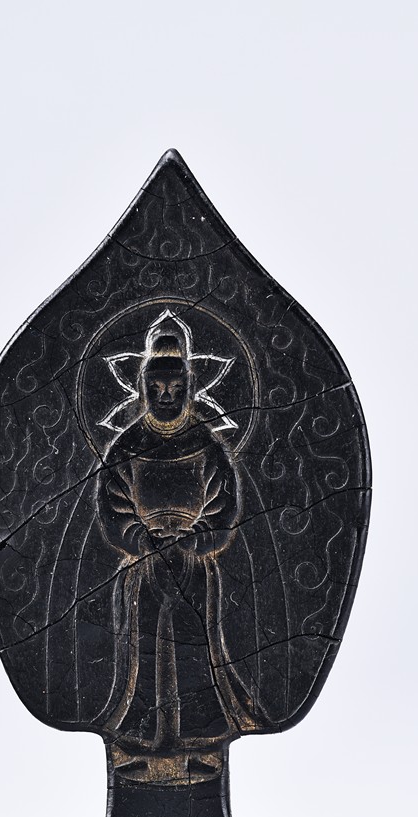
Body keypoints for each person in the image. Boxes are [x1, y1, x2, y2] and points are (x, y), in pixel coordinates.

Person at [96, 314, 257, 759]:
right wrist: (140, 538)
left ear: (190, 387)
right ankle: (139, 738)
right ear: (141, 388)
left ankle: (201, 740)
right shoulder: (126, 446)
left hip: (192, 558)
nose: (166, 396)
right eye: (156, 388)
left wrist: (197, 538)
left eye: (175, 387)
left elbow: (223, 506)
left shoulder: (207, 446)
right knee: (142, 648)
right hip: (144, 560)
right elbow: (113, 506)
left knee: (194, 648)